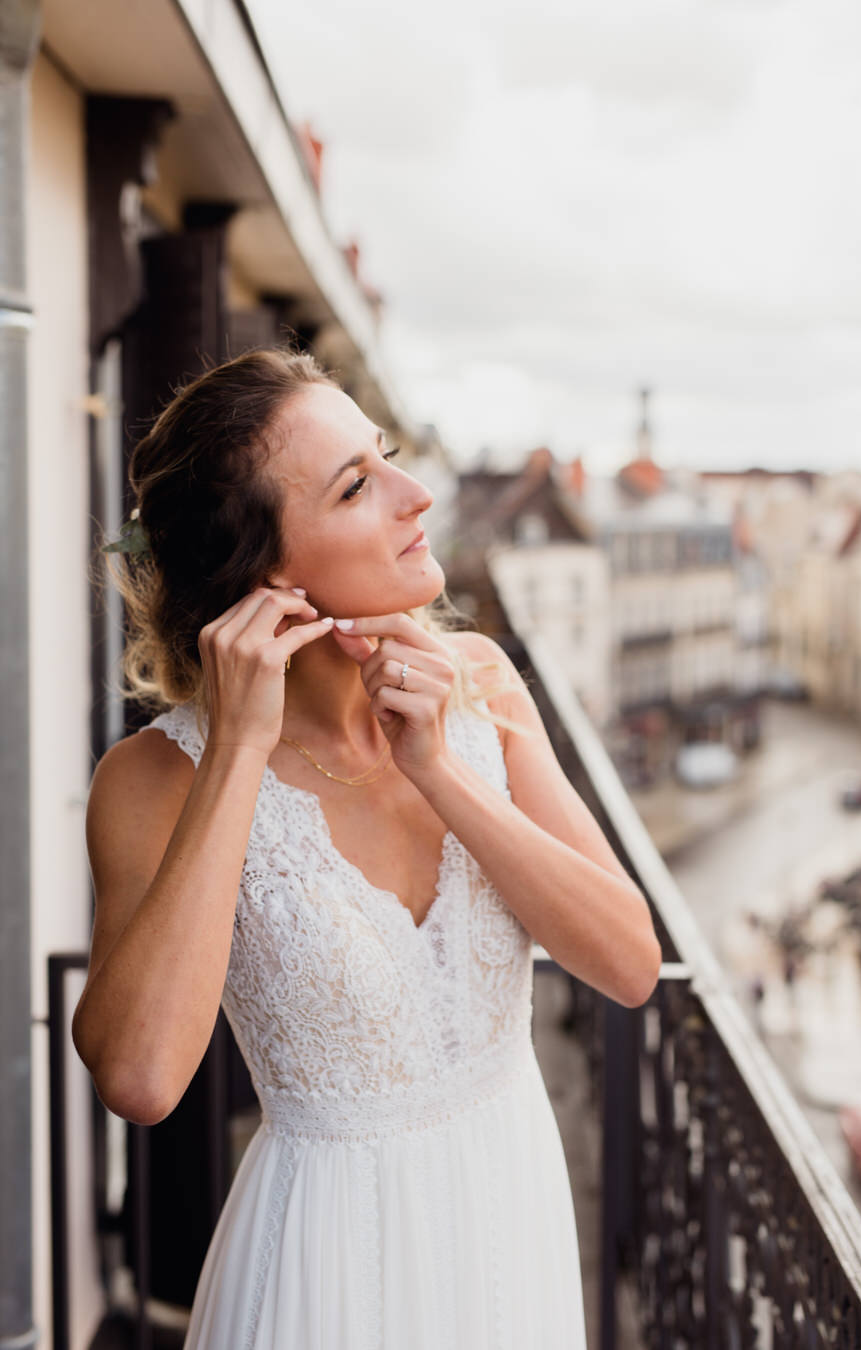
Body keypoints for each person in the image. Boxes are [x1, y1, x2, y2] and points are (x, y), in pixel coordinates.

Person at [73, 347, 662, 1350]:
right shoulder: (153, 778)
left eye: (384, 455)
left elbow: (630, 962)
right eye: (356, 486)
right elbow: (140, 1078)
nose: (414, 493)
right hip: (323, 1276)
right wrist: (238, 750)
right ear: (266, 572)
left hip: (509, 1244)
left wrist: (441, 770)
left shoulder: (479, 680)